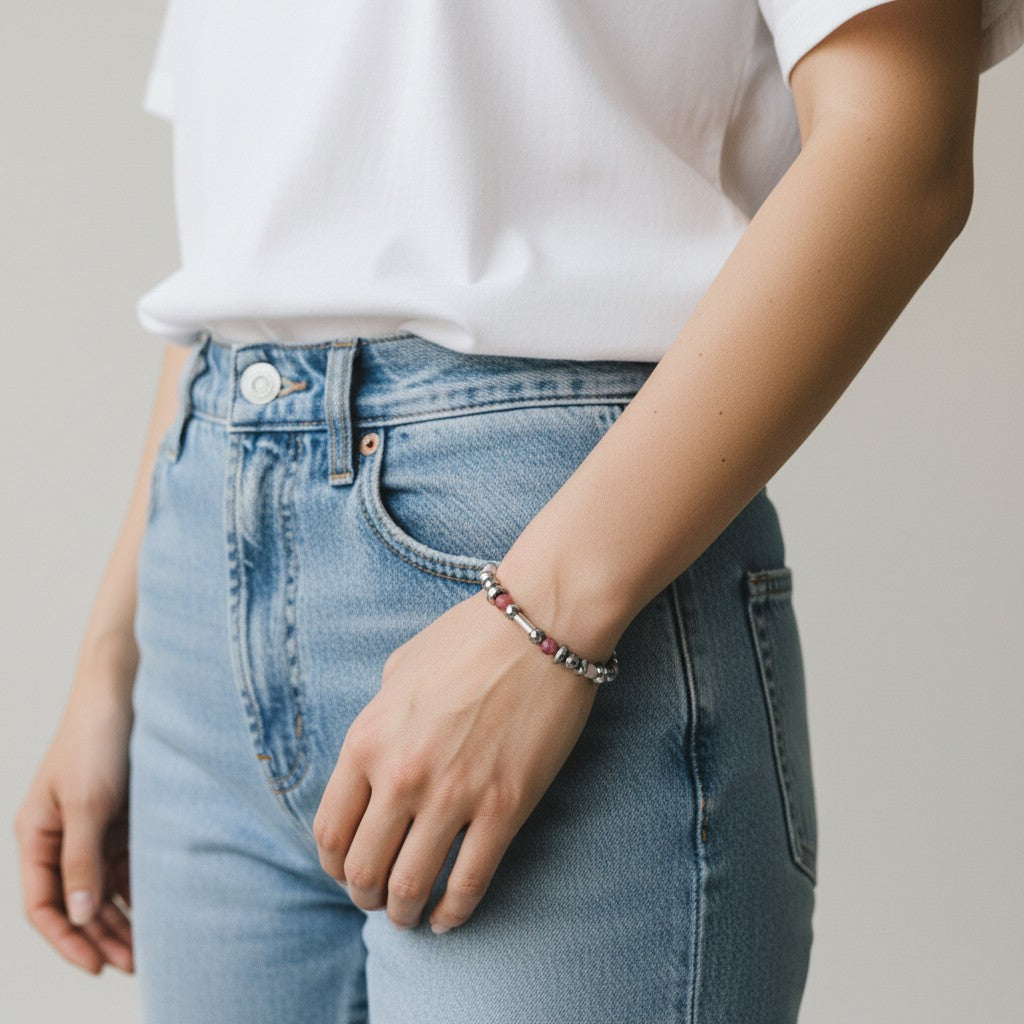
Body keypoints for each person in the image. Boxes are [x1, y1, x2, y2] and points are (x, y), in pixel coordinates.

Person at [14, 1, 1022, 1021]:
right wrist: (113, 661)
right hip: (204, 583)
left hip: (553, 556)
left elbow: (900, 141)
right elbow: (252, 234)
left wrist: (545, 615)